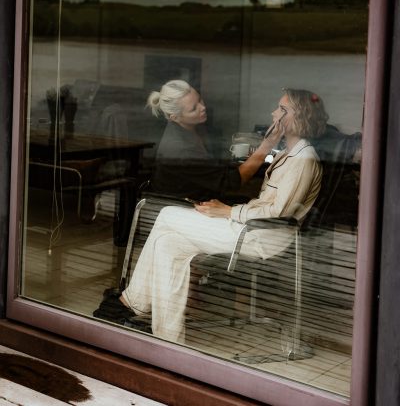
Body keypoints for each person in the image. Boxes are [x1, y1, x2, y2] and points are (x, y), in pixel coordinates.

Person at [95, 89, 328, 343]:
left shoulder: (304, 159)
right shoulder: (287, 153)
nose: (273, 113)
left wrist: (227, 211)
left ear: (299, 118)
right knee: (168, 244)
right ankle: (168, 339)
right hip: (250, 227)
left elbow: (276, 214)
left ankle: (131, 302)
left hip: (261, 237)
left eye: (282, 110)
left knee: (166, 214)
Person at [146, 79, 279, 200]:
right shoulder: (181, 150)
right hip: (184, 210)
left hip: (204, 196)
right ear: (174, 117)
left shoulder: (195, 126)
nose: (202, 108)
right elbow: (230, 182)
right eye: (193, 109)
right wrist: (266, 146)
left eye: (200, 99)